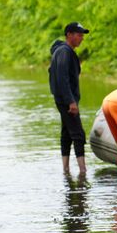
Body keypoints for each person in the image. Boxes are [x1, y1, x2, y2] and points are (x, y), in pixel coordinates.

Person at [49, 22, 90, 174]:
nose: (81, 38)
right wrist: (71, 101)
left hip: (64, 99)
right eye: (79, 35)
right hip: (66, 101)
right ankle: (83, 171)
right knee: (78, 134)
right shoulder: (65, 52)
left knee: (67, 133)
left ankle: (65, 169)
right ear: (69, 35)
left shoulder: (63, 51)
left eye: (82, 35)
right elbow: (62, 78)